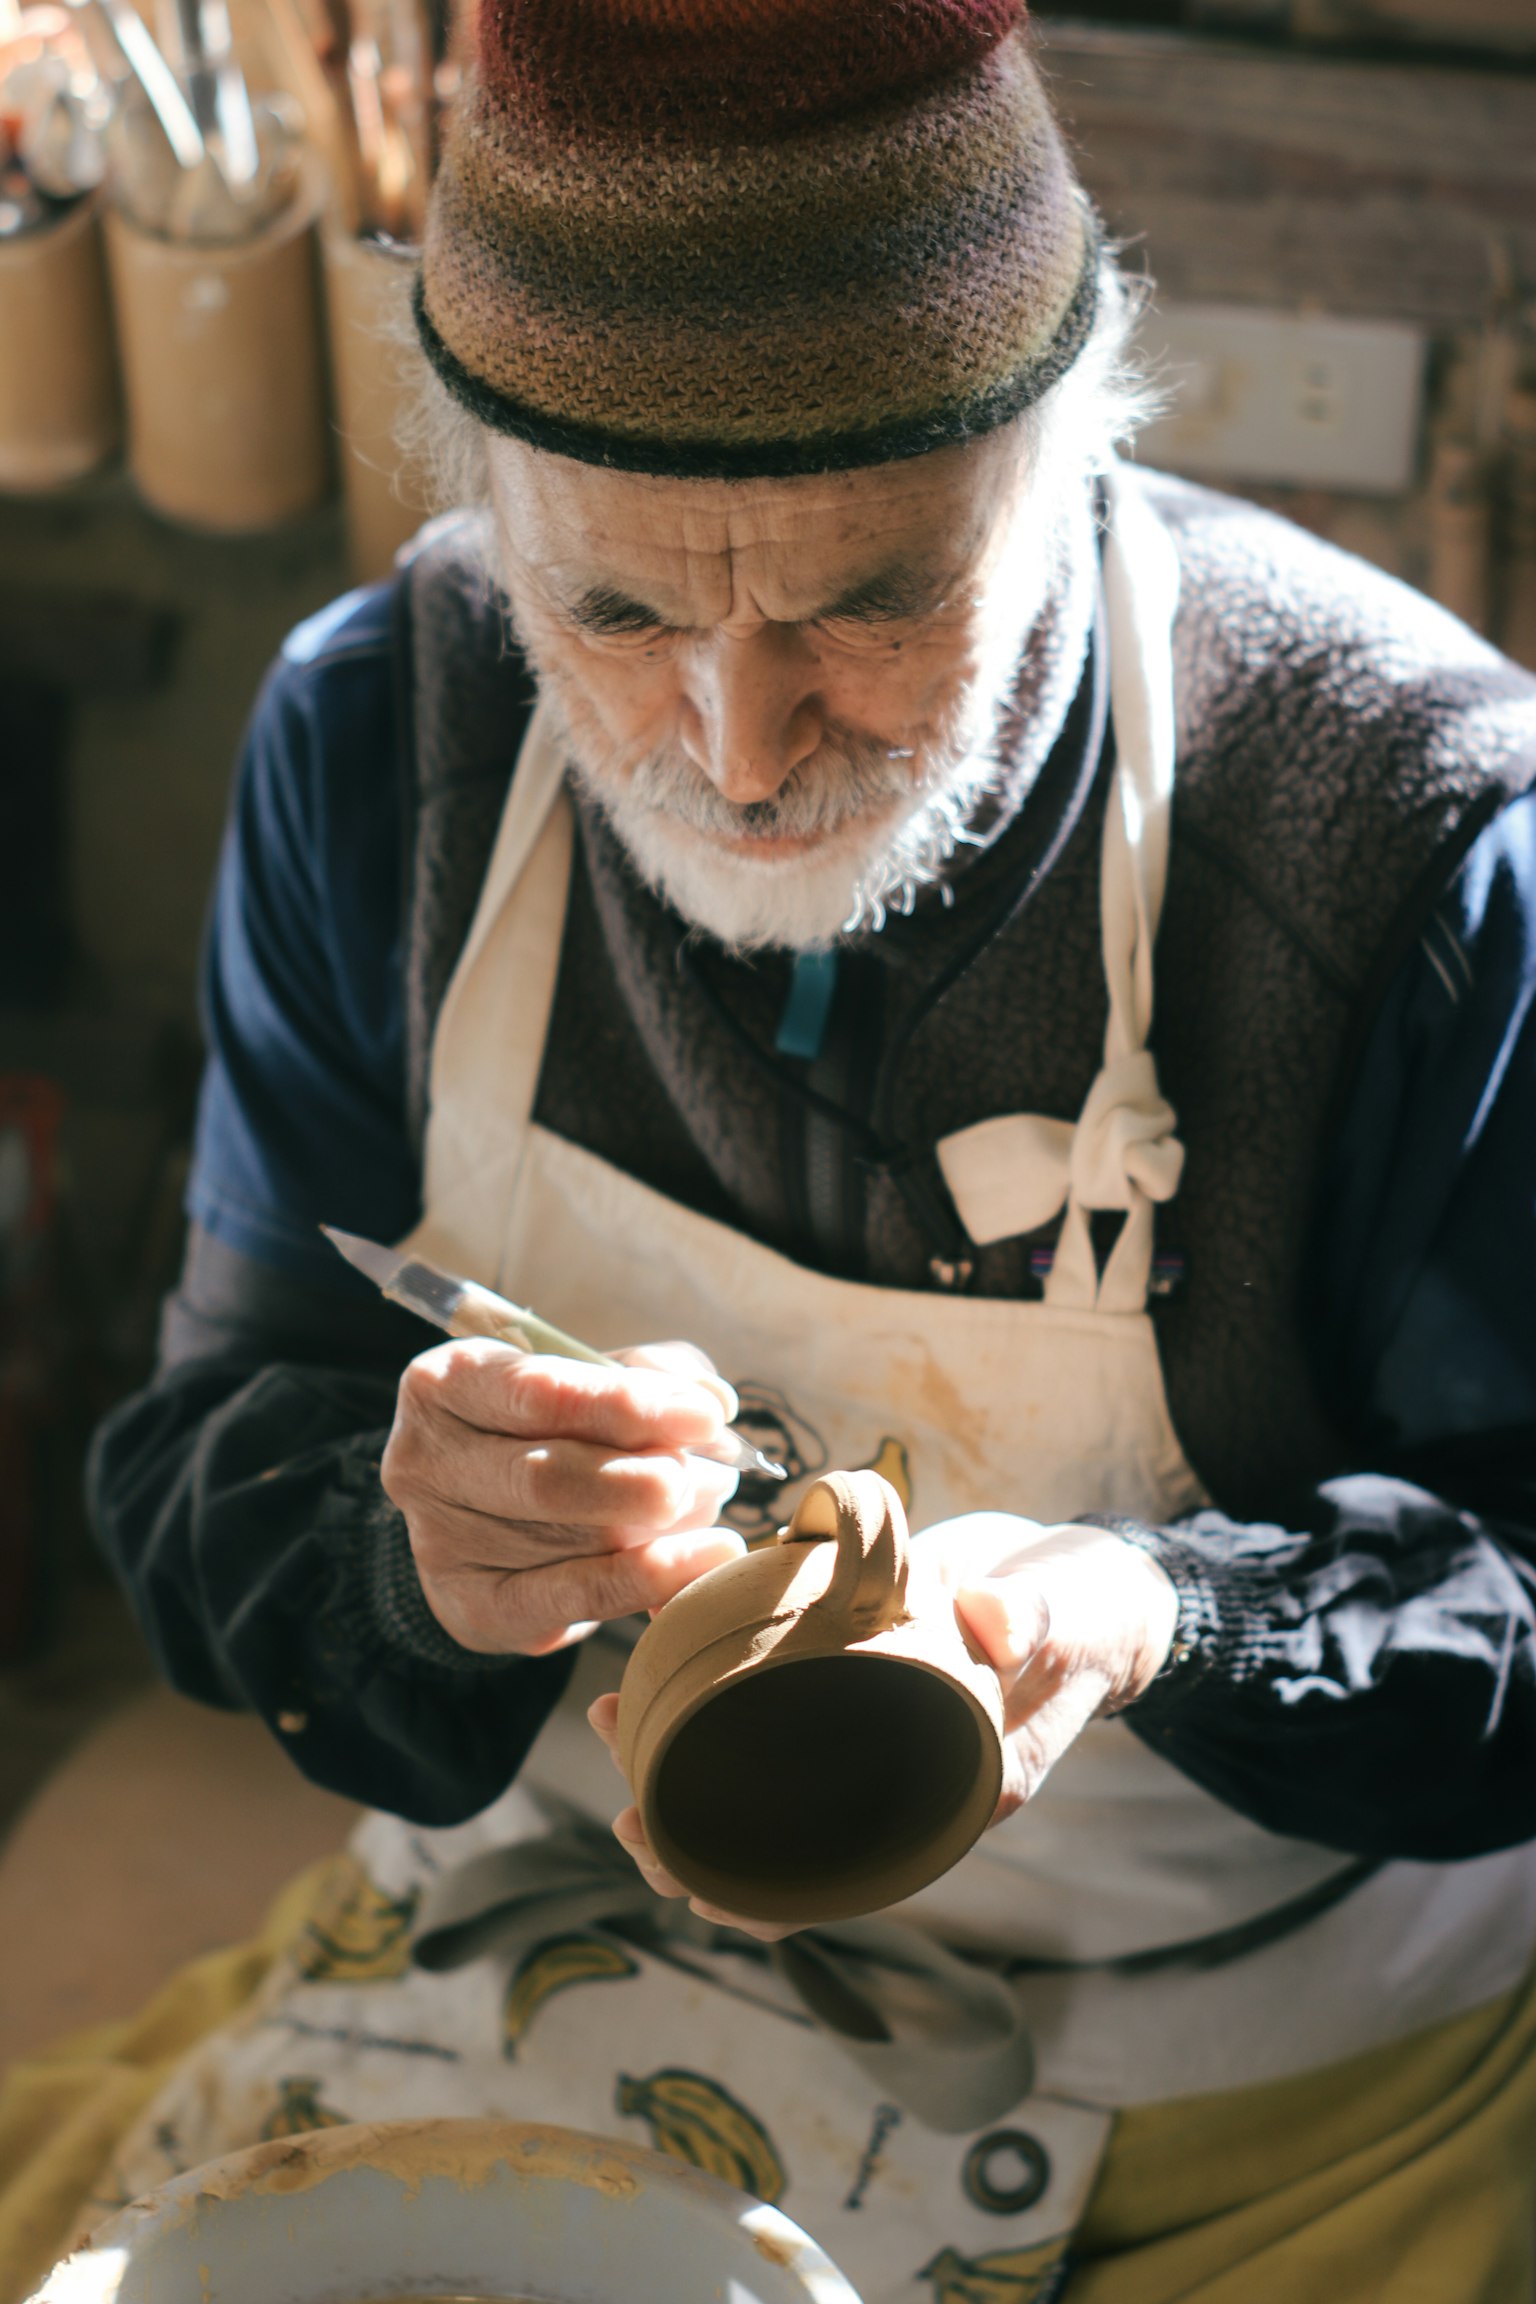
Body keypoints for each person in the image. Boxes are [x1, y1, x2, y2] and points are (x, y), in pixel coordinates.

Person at [88, 1, 1536, 2295]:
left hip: (1236, 2053)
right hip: (560, 1943)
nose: (741, 754)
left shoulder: (1423, 834)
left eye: (872, 601)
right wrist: (408, 1561)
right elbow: (193, 1458)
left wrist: (1178, 1619)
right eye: (618, 608)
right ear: (485, 511)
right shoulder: (385, 735)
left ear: (1072, 459)